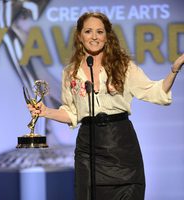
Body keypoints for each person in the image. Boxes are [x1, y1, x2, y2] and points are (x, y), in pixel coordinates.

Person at [28, 12, 184, 200]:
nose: (94, 36)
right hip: (88, 149)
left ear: (107, 36)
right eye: (88, 31)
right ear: (79, 35)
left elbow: (155, 91)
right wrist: (45, 112)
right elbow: (72, 113)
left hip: (121, 146)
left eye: (100, 32)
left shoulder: (123, 66)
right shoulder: (70, 73)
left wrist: (174, 71)